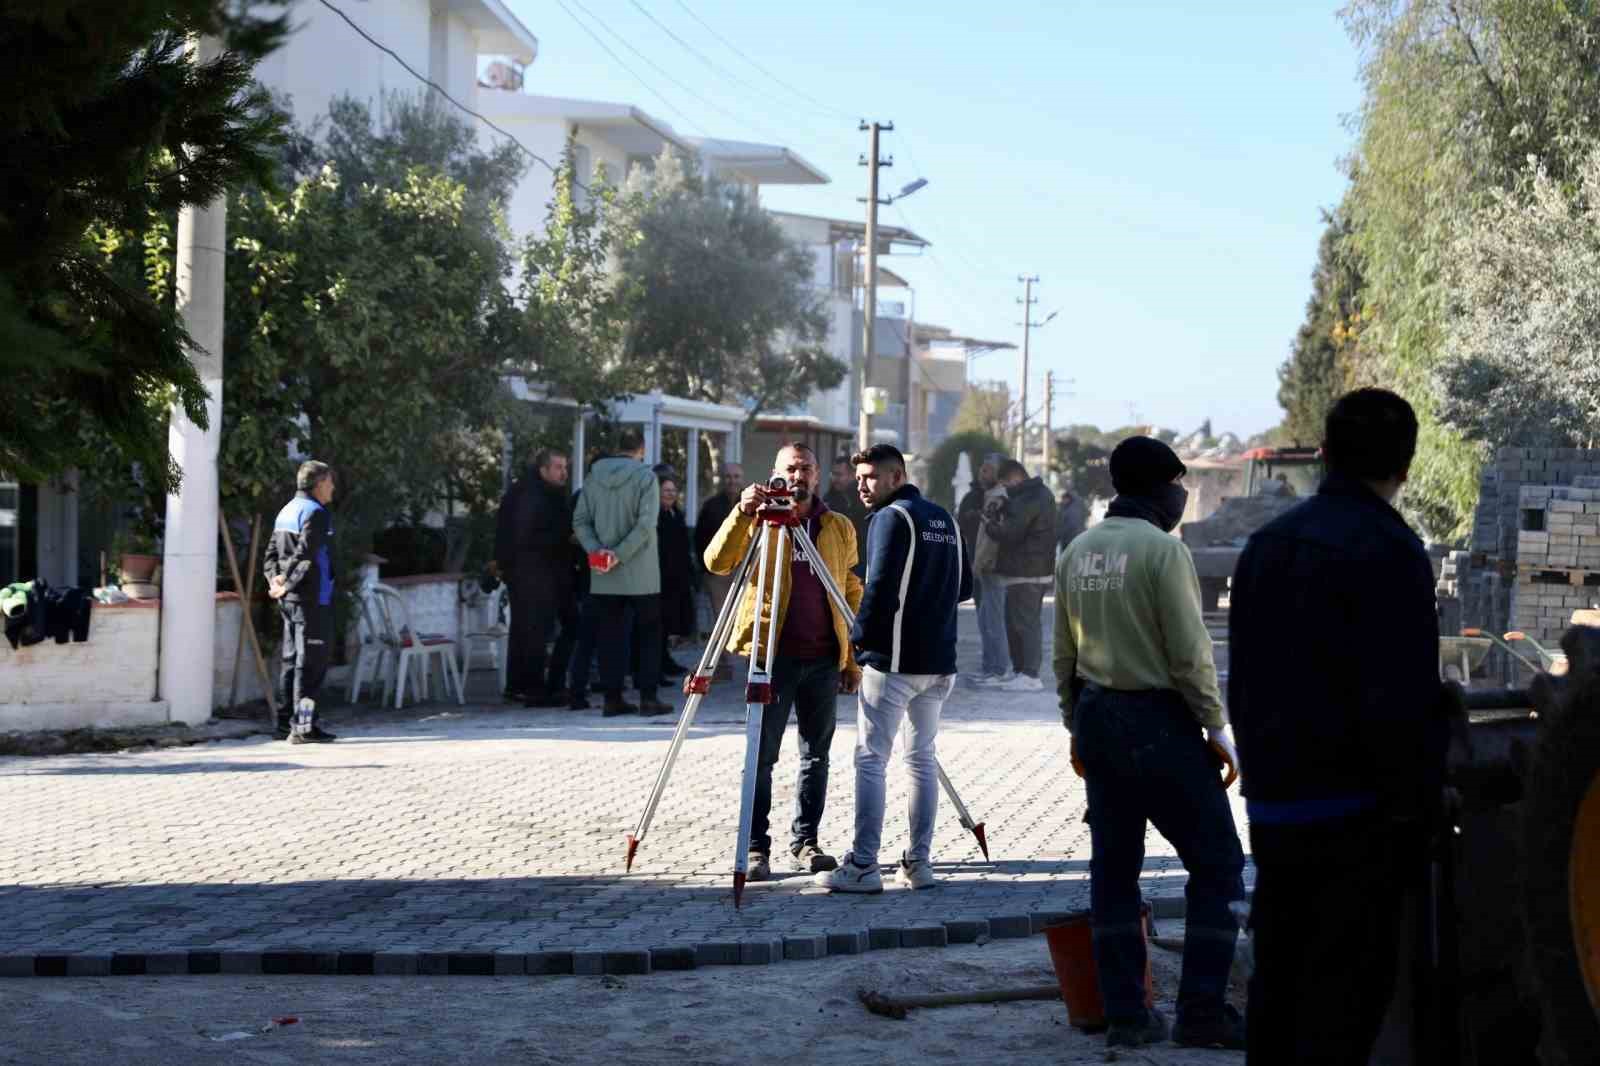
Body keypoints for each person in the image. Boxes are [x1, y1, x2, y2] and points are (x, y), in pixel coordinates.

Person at [1228, 389, 1448, 1065]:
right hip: (1359, 821)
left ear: (1324, 455)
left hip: (1276, 810)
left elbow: (1243, 679)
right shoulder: (1392, 550)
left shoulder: (1267, 545)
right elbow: (1401, 699)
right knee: (1346, 999)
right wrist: (1421, 805)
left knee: (1279, 980)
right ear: (1405, 467)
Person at [1053, 435, 1246, 1050]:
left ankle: (1127, 1018)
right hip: (1157, 723)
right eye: (1179, 485)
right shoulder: (1164, 551)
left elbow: (1063, 656)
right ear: (1160, 490)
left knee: (1113, 872)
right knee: (1217, 865)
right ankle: (1202, 1012)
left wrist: (1076, 726)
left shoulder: (1078, 552)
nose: (1183, 496)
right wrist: (1216, 726)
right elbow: (1190, 655)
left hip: (1098, 719)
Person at [816, 444, 971, 894]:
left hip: (896, 661)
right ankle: (919, 864)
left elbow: (879, 586)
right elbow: (965, 587)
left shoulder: (891, 518)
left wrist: (859, 638)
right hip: (940, 663)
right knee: (921, 760)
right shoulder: (945, 517)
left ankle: (863, 865)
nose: (860, 486)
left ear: (895, 476)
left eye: (868, 477)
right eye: (857, 477)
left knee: (871, 759)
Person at [704, 443, 863, 880]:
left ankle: (806, 841)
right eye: (790, 468)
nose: (798, 476)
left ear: (818, 475)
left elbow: (849, 589)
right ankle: (755, 847)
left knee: (817, 756)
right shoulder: (758, 519)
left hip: (824, 658)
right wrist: (742, 512)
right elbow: (717, 562)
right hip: (771, 659)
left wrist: (851, 660)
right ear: (774, 473)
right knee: (761, 755)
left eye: (806, 468)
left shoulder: (837, 526)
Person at [572, 429, 670, 717]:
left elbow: (580, 520)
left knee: (609, 637)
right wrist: (620, 554)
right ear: (641, 449)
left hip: (604, 574)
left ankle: (612, 698)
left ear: (617, 448)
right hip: (642, 572)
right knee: (649, 635)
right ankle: (648, 698)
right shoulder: (645, 477)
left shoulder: (592, 478)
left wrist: (598, 552)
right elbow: (646, 525)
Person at [493, 448, 580, 708]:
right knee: (533, 630)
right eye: (558, 467)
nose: (564, 473)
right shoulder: (531, 495)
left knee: (532, 629)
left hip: (542, 573)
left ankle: (527, 686)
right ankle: (533, 688)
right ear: (543, 470)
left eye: (565, 467)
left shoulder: (542, 493)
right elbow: (528, 536)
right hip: (534, 574)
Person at [263, 460, 338, 744]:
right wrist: (285, 581)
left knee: (292, 660)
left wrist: (275, 580)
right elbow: (305, 554)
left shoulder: (287, 511)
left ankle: (284, 724)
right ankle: (304, 728)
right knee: (312, 664)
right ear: (318, 483)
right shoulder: (316, 513)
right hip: (311, 599)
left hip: (289, 599)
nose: (332, 487)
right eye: (329, 482)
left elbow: (270, 554)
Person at [983, 459, 1056, 692]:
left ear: (1015, 478)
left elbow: (1011, 532)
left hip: (1029, 571)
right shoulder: (1033, 496)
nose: (1005, 488)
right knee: (1015, 623)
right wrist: (1006, 505)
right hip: (1026, 569)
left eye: (1005, 484)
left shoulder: (1032, 498)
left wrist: (990, 526)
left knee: (1025, 624)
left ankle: (1030, 674)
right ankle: (1020, 671)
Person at [959, 454, 1012, 685]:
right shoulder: (987, 496)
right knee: (985, 619)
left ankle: (998, 670)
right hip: (984, 566)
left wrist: (979, 563)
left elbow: (993, 539)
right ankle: (990, 668)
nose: (983, 474)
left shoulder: (999, 498)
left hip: (993, 567)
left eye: (988, 470)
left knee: (993, 621)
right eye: (982, 470)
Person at [653, 475, 696, 680]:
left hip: (676, 578)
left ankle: (665, 660)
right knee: (658, 624)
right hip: (660, 577)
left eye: (673, 490)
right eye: (666, 490)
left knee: (669, 623)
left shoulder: (676, 514)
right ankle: (657, 665)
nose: (670, 494)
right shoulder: (655, 516)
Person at [694, 462, 745, 629]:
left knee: (745, 617)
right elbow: (700, 539)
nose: (732, 481)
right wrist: (707, 570)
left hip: (746, 570)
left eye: (736, 476)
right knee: (722, 621)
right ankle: (724, 655)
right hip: (718, 573)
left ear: (742, 478)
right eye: (728, 477)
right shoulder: (711, 506)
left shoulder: (754, 503)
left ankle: (744, 656)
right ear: (722, 479)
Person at [823, 454, 871, 578]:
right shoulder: (829, 500)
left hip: (859, 563)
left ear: (852, 475)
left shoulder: (864, 499)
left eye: (839, 474)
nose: (835, 479)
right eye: (833, 474)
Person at [1056, 485, 1089, 554]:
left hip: (1070, 539)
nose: (1063, 501)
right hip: (1076, 538)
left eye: (1064, 499)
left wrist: (1059, 535)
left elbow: (1070, 525)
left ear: (1068, 498)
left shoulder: (1071, 509)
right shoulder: (1075, 505)